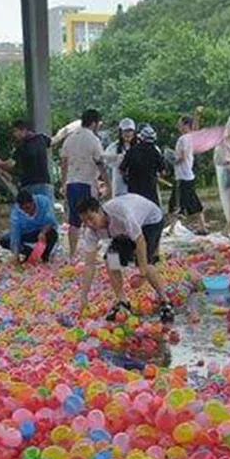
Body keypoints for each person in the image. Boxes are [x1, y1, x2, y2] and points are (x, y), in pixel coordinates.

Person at [77, 194, 174, 323]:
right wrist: (83, 296)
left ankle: (165, 301)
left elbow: (140, 241)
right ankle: (123, 302)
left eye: (91, 218)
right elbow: (89, 265)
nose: (90, 224)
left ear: (100, 211)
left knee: (143, 262)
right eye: (85, 221)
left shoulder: (121, 215)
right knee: (111, 258)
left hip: (150, 220)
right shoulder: (90, 231)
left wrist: (143, 274)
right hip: (124, 230)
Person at [61, 109, 108, 259]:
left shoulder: (70, 138)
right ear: (94, 123)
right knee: (92, 218)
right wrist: (108, 184)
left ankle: (72, 256)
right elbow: (100, 162)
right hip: (86, 183)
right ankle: (93, 252)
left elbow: (63, 162)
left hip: (71, 183)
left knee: (73, 221)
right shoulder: (93, 139)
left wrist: (63, 184)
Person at [0, 120, 54, 204]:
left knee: (31, 212)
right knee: (46, 211)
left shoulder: (22, 147)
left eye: (15, 131)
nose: (14, 134)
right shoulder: (41, 138)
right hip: (45, 182)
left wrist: (0, 164)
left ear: (23, 130)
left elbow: (10, 164)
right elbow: (53, 141)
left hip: (29, 184)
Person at [169, 114, 208, 235]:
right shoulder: (191, 137)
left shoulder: (183, 139)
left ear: (186, 125)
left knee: (174, 204)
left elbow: (182, 156)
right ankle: (202, 227)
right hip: (188, 175)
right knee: (193, 202)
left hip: (182, 176)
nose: (178, 126)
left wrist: (172, 159)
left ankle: (171, 230)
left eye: (180, 123)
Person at [0, 188, 59, 263]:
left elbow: (51, 221)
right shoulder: (16, 212)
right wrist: (16, 255)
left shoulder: (44, 201)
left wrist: (43, 232)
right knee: (5, 240)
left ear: (33, 202)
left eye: (28, 208)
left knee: (53, 234)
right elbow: (15, 234)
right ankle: (30, 253)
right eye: (23, 209)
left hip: (42, 230)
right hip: (26, 233)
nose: (26, 211)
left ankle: (44, 255)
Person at [120, 124, 165, 207]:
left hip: (134, 189)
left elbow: (122, 169)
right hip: (150, 190)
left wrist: (126, 178)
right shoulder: (155, 152)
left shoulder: (132, 150)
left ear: (140, 138)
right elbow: (163, 171)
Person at [104, 118, 136, 198]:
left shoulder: (140, 147)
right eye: (125, 131)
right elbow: (106, 161)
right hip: (119, 187)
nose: (128, 134)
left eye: (130, 131)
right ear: (121, 132)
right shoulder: (113, 148)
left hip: (136, 187)